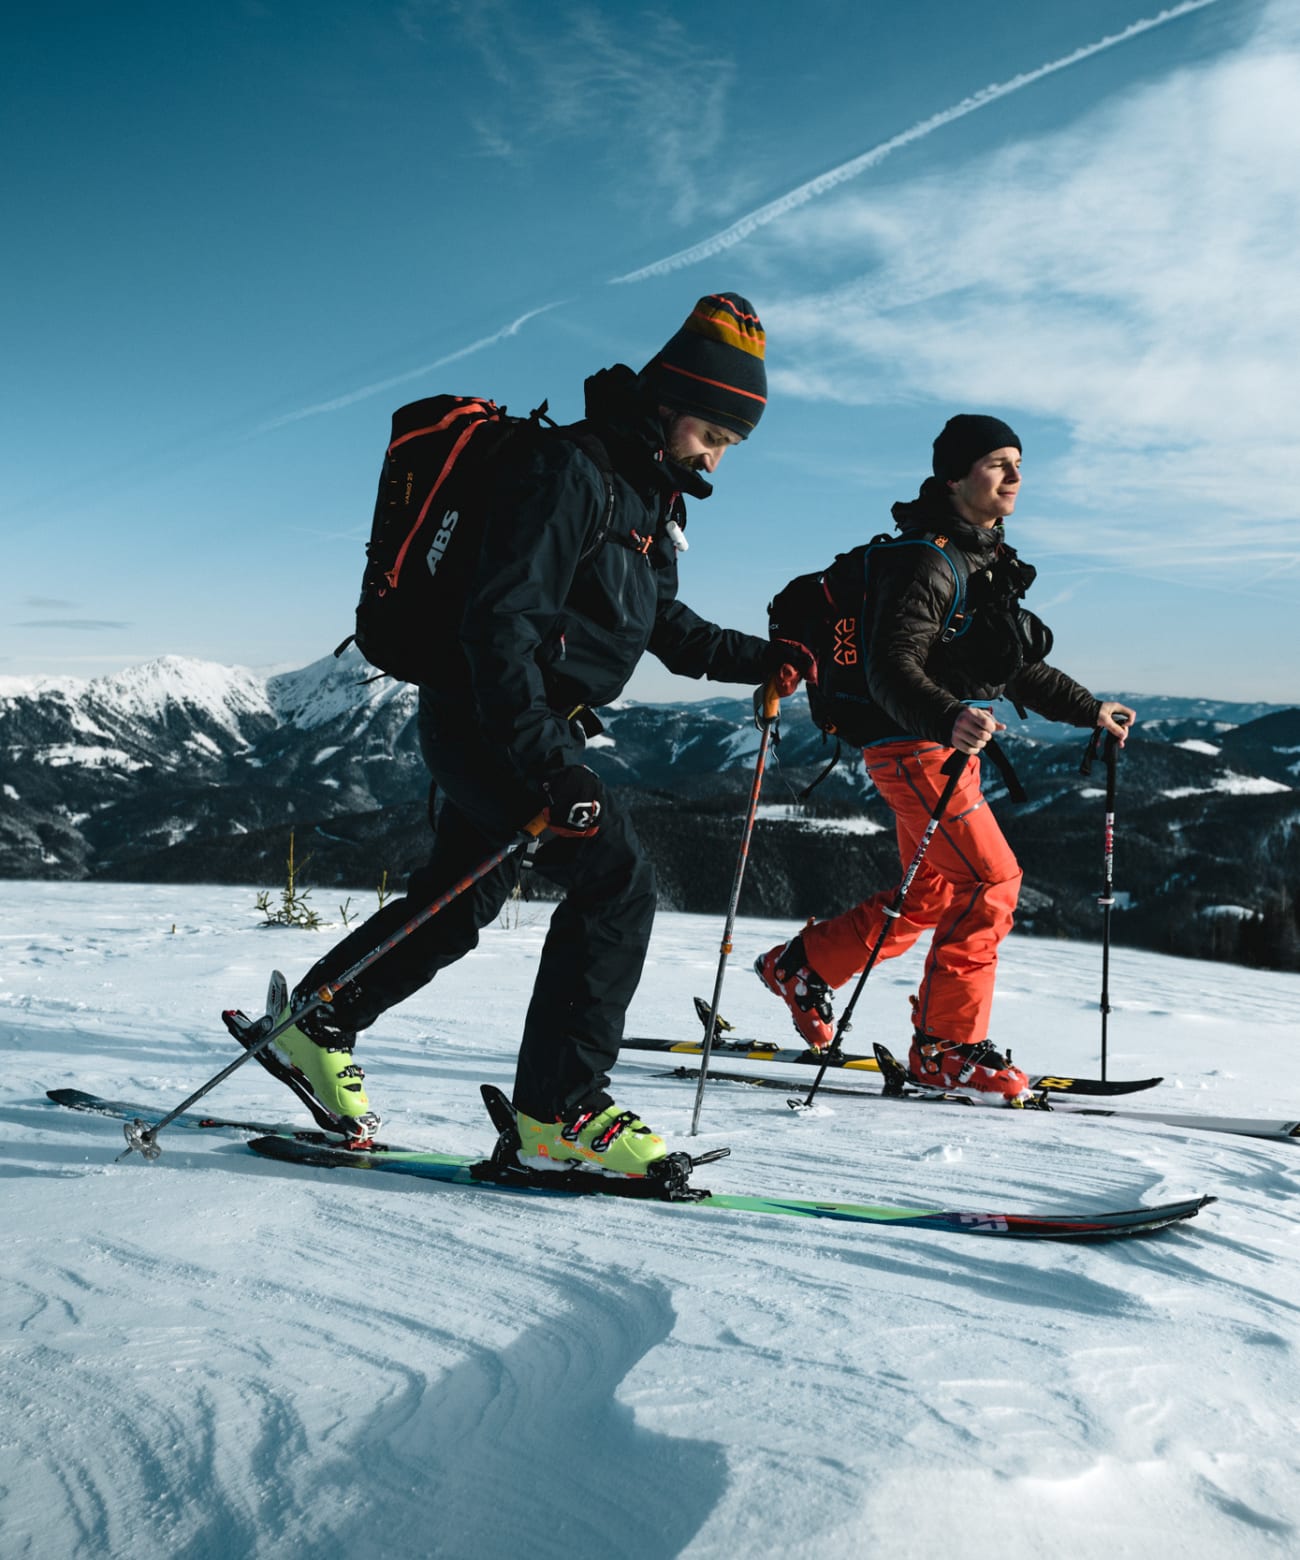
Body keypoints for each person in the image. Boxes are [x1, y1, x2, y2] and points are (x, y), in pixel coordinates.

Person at [261, 293, 806, 1173]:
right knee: (616, 882)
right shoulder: (569, 470)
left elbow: (664, 627)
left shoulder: (647, 497)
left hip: (517, 724)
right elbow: (500, 625)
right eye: (712, 433)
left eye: (730, 445)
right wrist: (551, 764)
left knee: (460, 899)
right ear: (668, 403)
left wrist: (765, 658)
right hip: (491, 717)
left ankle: (316, 1024)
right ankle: (558, 1111)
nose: (716, 457)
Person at [755, 414, 1134, 1102]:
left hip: (942, 745)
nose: (1015, 476)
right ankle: (946, 1049)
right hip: (917, 747)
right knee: (990, 882)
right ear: (956, 478)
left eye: (1018, 462)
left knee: (931, 893)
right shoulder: (925, 562)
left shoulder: (979, 557)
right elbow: (889, 668)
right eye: (997, 463)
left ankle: (804, 966)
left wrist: (1089, 710)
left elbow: (1009, 666)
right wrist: (947, 715)